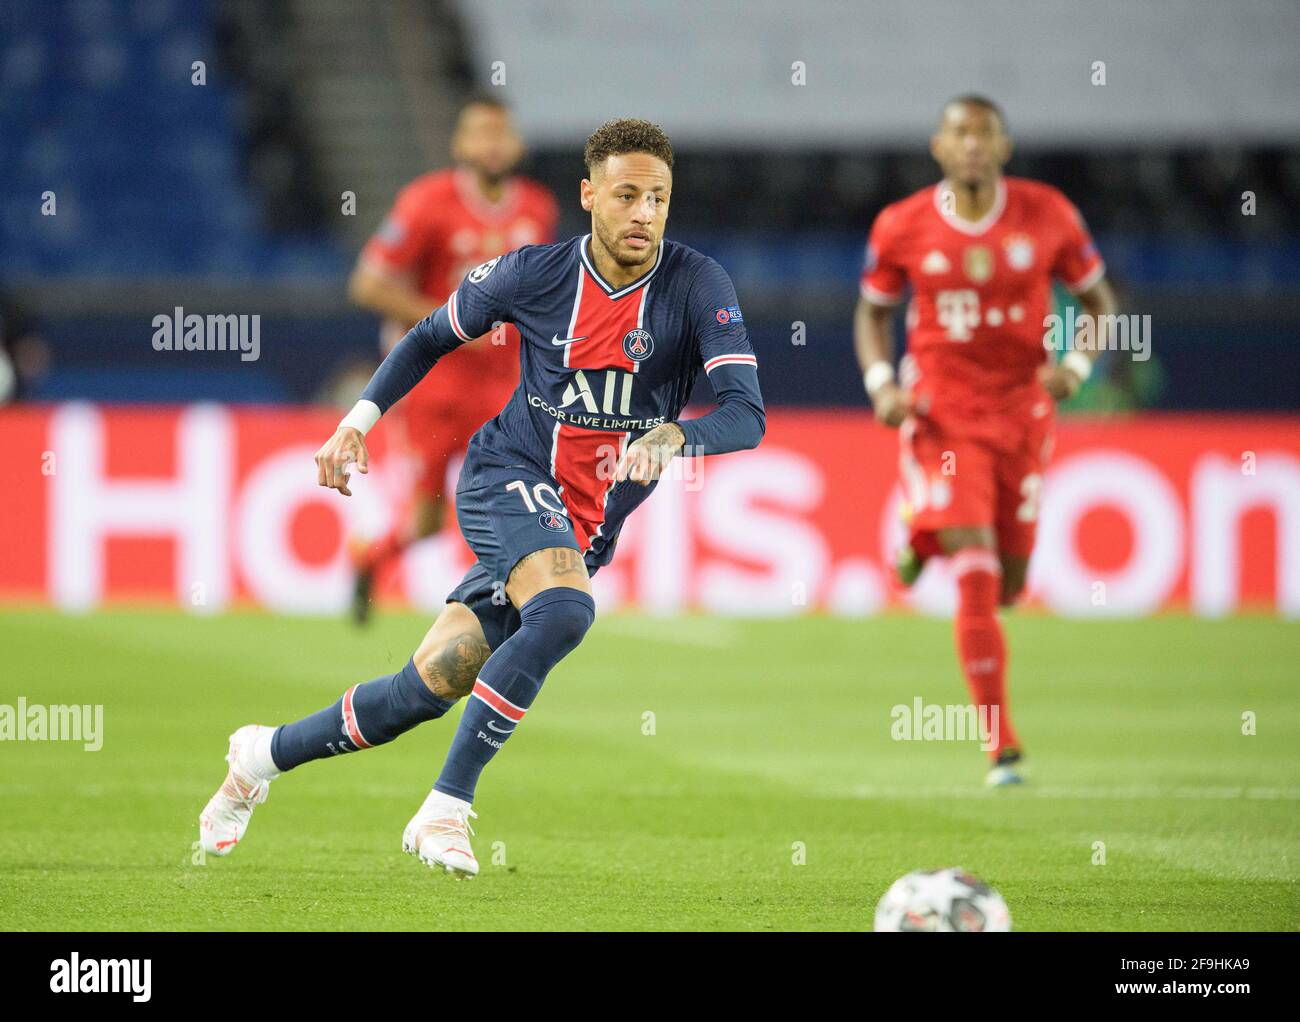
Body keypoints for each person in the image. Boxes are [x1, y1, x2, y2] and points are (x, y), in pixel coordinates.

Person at [200, 119, 765, 876]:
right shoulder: (533, 273)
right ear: (589, 195)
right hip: (507, 474)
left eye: (658, 198)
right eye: (627, 195)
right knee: (565, 611)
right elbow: (429, 335)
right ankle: (446, 810)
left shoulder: (698, 285)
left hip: (586, 521)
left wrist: (675, 436)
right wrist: (355, 424)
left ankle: (259, 757)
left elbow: (746, 412)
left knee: (427, 686)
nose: (643, 214)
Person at [853, 95, 1117, 786]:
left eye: (985, 134)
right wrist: (884, 384)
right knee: (976, 564)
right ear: (939, 147)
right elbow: (872, 314)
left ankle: (918, 535)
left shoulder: (1049, 214)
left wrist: (1077, 367)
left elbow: (1100, 304)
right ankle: (1001, 745)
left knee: (1012, 584)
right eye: (959, 133)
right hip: (942, 412)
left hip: (1023, 413)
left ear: (1003, 147)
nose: (972, 145)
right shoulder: (902, 224)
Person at [346, 94, 558, 623]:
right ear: (460, 143)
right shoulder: (426, 203)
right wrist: (450, 322)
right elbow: (368, 284)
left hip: (506, 386)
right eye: (480, 133)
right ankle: (370, 558)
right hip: (435, 386)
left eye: (501, 133)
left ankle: (497, 609)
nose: (492, 144)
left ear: (517, 144)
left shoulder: (538, 209)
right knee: (427, 521)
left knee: (513, 497)